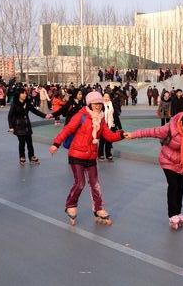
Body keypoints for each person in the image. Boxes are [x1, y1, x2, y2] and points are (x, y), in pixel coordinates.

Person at [49, 91, 124, 226]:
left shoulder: (101, 119)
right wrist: (56, 143)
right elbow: (67, 130)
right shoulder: (81, 116)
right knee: (80, 183)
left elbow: (108, 136)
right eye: (95, 103)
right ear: (90, 103)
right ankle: (71, 205)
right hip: (76, 154)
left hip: (91, 156)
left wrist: (121, 134)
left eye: (100, 104)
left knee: (95, 184)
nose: (98, 106)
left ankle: (98, 209)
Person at [8, 87, 52, 165]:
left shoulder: (27, 103)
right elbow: (10, 116)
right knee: (21, 143)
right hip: (19, 126)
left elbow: (35, 111)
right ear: (19, 94)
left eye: (25, 93)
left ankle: (31, 156)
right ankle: (22, 156)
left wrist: (45, 115)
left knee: (29, 142)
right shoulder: (14, 104)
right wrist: (11, 126)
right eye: (23, 93)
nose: (25, 95)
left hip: (27, 125)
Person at [98, 91, 122, 161]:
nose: (106, 98)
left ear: (110, 98)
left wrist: (119, 126)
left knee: (109, 140)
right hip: (103, 125)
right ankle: (100, 155)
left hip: (111, 125)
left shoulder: (112, 105)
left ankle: (108, 154)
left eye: (107, 97)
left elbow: (116, 116)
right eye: (105, 97)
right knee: (102, 141)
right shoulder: (100, 105)